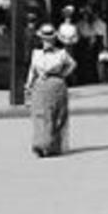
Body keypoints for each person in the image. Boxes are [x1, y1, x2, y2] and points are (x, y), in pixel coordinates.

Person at [26, 25, 75, 157]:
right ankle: (39, 144)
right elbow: (32, 70)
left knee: (56, 115)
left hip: (56, 85)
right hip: (40, 85)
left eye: (50, 39)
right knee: (40, 115)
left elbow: (72, 64)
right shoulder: (36, 54)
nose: (47, 42)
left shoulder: (61, 53)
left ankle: (52, 145)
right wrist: (28, 86)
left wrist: (63, 74)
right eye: (45, 39)